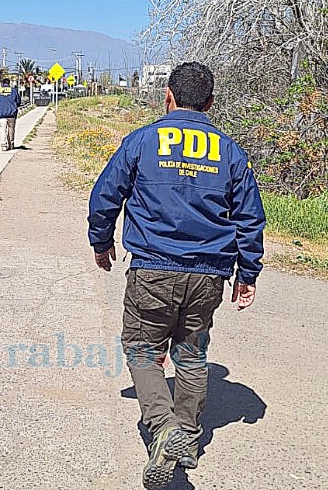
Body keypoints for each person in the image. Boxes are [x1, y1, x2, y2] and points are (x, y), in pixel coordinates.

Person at [87, 62, 266, 489]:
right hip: (208, 275)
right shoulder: (230, 151)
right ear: (209, 103)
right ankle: (185, 437)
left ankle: (162, 427)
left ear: (167, 96)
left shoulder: (143, 141)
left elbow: (105, 194)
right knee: (191, 354)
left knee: (144, 350)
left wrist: (101, 241)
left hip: (153, 269)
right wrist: (248, 271)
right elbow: (249, 217)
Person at [0, 77, 21, 151]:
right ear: (9, 83)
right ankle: (11, 144)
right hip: (12, 114)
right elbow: (18, 101)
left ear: (2, 84)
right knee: (11, 129)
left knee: (2, 130)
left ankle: (4, 145)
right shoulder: (14, 91)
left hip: (1, 114)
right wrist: (14, 107)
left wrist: (0, 106)